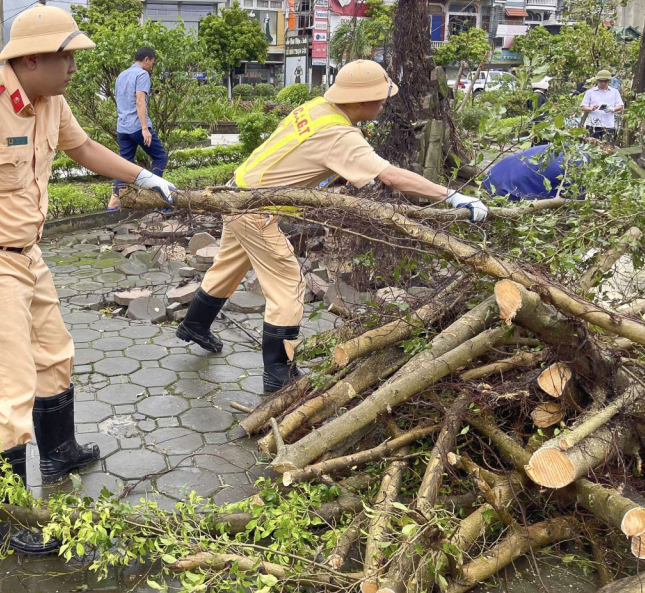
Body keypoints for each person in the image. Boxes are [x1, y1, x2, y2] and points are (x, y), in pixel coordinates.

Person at [0, 4, 176, 556]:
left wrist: (143, 174)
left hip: (27, 255)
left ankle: (60, 452)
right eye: (66, 58)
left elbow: (83, 149)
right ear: (31, 58)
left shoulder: (50, 100)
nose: (74, 68)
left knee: (56, 356)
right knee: (9, 390)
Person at [175, 60, 488, 393]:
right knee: (288, 288)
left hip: (235, 193)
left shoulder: (317, 108)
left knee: (228, 266)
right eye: (380, 98)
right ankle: (278, 375)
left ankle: (194, 324)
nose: (384, 104)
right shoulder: (340, 135)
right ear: (359, 99)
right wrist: (452, 196)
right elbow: (390, 176)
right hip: (256, 211)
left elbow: (303, 154)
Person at [107, 47, 167, 212]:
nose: (151, 67)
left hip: (123, 127)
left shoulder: (121, 75)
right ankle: (154, 195)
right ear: (146, 59)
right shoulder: (142, 74)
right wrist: (145, 128)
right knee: (160, 156)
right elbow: (140, 101)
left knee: (124, 163)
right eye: (152, 63)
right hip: (137, 127)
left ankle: (114, 200)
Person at [481, 144, 585, 202]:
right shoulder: (578, 170)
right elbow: (572, 203)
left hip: (494, 174)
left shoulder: (570, 148)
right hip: (504, 189)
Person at [580, 69, 624, 141]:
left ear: (608, 81)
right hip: (593, 125)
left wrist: (612, 109)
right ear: (597, 81)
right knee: (592, 147)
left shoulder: (614, 92)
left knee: (608, 147)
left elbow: (621, 106)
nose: (603, 83)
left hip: (608, 124)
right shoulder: (590, 92)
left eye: (605, 81)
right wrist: (591, 108)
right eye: (601, 81)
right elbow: (583, 107)